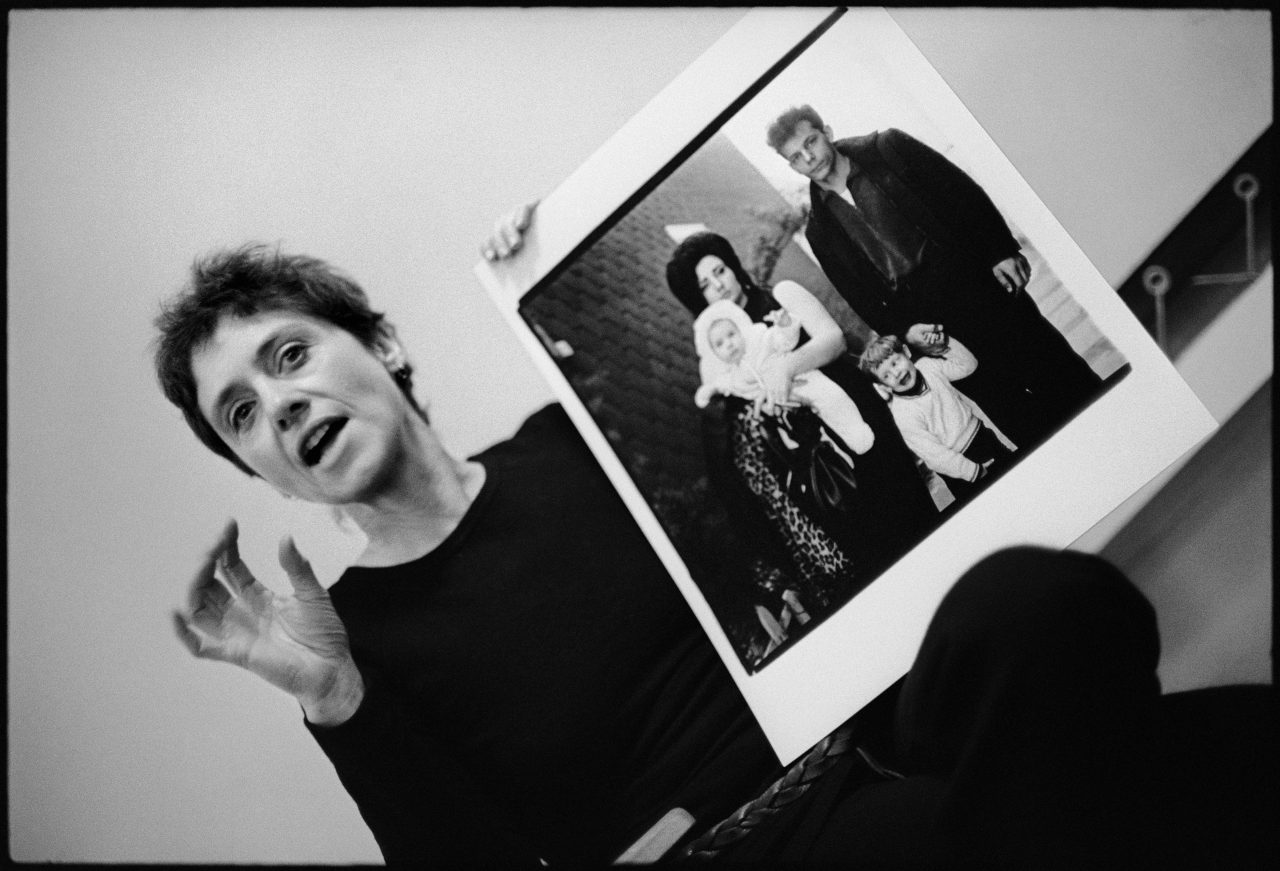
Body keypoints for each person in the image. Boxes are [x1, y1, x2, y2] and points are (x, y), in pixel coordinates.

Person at [160, 227, 1274, 869]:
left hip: (875, 728)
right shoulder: (356, 646)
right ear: (253, 465)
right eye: (242, 414)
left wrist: (557, 258)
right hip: (747, 852)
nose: (280, 403)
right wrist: (336, 701)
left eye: (290, 354)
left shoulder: (570, 444)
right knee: (1201, 767)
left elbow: (785, 523)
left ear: (381, 344)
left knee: (1037, 605)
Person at [766, 105, 1104, 451]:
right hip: (936, 332)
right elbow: (861, 297)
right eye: (796, 157)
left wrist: (1000, 250)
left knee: (1059, 371)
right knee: (1011, 411)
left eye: (811, 142)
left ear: (828, 132)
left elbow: (962, 194)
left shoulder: (888, 149)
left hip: (981, 289)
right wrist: (904, 332)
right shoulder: (820, 231)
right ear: (791, 166)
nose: (809, 157)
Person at [666, 231, 939, 592]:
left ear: (733, 266)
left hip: (855, 415)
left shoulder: (781, 295)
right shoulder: (724, 350)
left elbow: (833, 338)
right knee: (878, 547)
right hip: (818, 460)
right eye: (705, 284)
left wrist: (788, 366)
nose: (718, 285)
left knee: (913, 516)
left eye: (720, 271)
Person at [692, 298, 875, 458]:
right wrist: (707, 391)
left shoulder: (761, 341)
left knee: (829, 397)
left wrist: (785, 325)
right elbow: (720, 385)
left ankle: (856, 430)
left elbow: (784, 340)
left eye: (731, 334)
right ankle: (834, 456)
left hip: (799, 382)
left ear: (741, 331)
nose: (729, 344)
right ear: (715, 354)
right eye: (720, 344)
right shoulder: (733, 376)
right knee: (798, 438)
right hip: (781, 408)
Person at [859, 333, 1015, 506]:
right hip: (958, 469)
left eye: (895, 362)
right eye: (886, 376)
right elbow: (935, 456)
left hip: (983, 438)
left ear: (906, 352)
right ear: (883, 386)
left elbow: (968, 366)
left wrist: (946, 344)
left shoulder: (928, 366)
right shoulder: (902, 414)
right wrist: (975, 472)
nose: (896, 373)